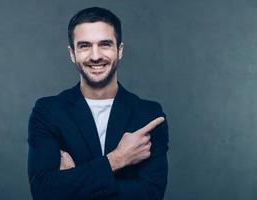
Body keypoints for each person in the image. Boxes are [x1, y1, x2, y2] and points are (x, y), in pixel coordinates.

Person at [27, 7, 169, 200]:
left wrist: (73, 182)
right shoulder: (49, 112)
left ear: (119, 50)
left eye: (105, 44)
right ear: (72, 53)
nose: (95, 56)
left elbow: (151, 195)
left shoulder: (148, 115)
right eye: (85, 45)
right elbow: (43, 192)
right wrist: (117, 160)